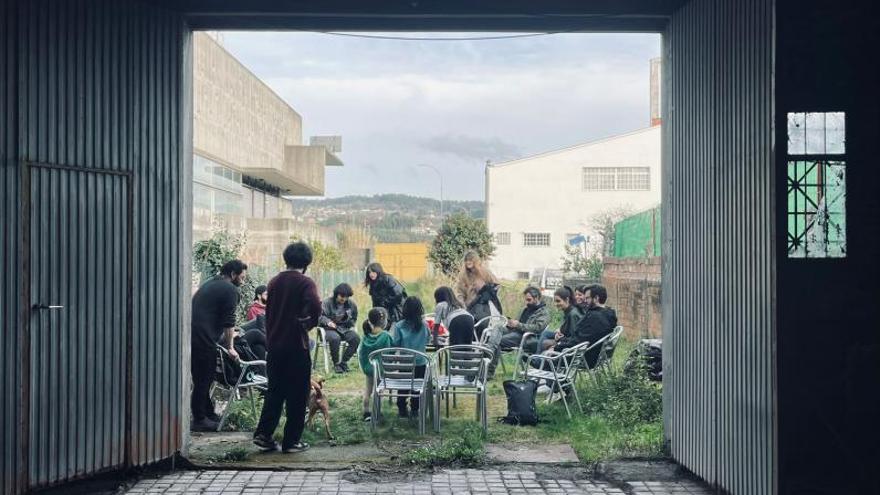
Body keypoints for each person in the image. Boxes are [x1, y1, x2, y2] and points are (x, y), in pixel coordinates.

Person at [253, 242, 322, 453]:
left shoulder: (274, 281)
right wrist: (308, 323)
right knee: (298, 394)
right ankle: (291, 441)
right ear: (307, 262)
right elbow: (316, 306)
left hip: (273, 345)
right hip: (295, 346)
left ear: (286, 259)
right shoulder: (305, 282)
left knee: (274, 391)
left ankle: (264, 435)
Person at [190, 259, 247, 431]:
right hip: (204, 339)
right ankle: (199, 419)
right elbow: (229, 322)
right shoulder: (230, 289)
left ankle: (207, 413)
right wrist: (230, 347)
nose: (243, 281)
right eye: (242, 278)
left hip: (193, 336)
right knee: (203, 380)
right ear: (233, 274)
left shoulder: (210, 284)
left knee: (201, 378)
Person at [489, 286, 550, 377]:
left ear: (536, 298)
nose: (526, 302)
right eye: (526, 300)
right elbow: (518, 322)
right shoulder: (526, 309)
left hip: (526, 337)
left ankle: (489, 369)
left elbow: (538, 328)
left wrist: (518, 325)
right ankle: (490, 348)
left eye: (529, 300)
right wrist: (510, 323)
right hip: (516, 332)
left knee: (498, 341)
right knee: (498, 327)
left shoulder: (544, 313)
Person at [391, 296, 431, 418]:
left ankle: (402, 409)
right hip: (420, 363)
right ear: (420, 310)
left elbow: (395, 344)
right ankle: (415, 409)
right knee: (417, 389)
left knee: (403, 387)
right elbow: (427, 341)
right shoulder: (424, 326)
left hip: (405, 364)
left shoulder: (399, 326)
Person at [566, 284, 618, 367]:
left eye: (587, 298)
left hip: (582, 357)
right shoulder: (609, 313)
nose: (585, 301)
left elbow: (580, 340)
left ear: (596, 298)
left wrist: (558, 346)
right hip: (596, 356)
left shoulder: (594, 317)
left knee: (542, 358)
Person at [455, 251, 501, 339]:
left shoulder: (484, 272)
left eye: (470, 260)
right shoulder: (462, 275)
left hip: (483, 306)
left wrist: (485, 289)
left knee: (482, 326)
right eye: (466, 260)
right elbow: (459, 292)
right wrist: (462, 303)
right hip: (469, 306)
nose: (468, 262)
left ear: (475, 261)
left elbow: (496, 285)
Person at [357, 308, 392, 422]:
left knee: (368, 390)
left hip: (369, 369)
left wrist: (366, 366)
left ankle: (366, 412)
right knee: (379, 391)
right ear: (384, 321)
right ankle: (377, 412)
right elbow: (390, 352)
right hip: (381, 369)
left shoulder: (366, 336)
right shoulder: (385, 336)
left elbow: (361, 352)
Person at [319, 283, 361, 374]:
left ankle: (344, 362)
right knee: (335, 338)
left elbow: (354, 318)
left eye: (346, 297)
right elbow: (319, 316)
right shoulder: (326, 303)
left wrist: (349, 322)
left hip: (343, 329)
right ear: (336, 294)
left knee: (356, 338)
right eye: (342, 296)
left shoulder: (351, 304)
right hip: (328, 330)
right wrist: (328, 322)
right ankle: (336, 363)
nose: (344, 299)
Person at [547, 286, 586, 352]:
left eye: (558, 301)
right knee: (545, 335)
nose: (555, 304)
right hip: (566, 342)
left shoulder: (573, 314)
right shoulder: (569, 311)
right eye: (555, 301)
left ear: (567, 300)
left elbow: (574, 338)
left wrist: (560, 340)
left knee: (545, 343)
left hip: (570, 349)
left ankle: (536, 360)